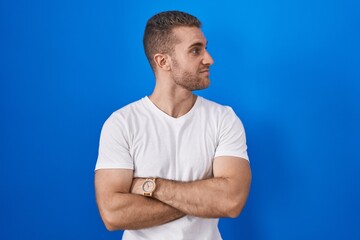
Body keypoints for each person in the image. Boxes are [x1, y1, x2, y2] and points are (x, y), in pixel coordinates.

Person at [94, 10, 252, 240]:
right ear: (163, 61)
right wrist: (203, 199)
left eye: (205, 48)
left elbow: (231, 201)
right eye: (195, 50)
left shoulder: (224, 119)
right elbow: (113, 214)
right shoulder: (121, 124)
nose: (209, 59)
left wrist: (152, 187)